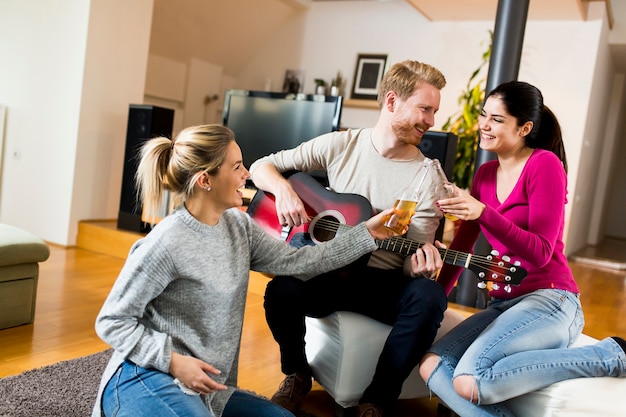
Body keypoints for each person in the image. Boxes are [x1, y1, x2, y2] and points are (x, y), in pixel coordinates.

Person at [91, 124, 403, 417]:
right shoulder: (166, 243)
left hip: (209, 389)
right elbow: (112, 321)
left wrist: (367, 234)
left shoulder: (239, 226)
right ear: (205, 180)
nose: (246, 175)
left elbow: (301, 262)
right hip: (146, 376)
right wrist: (175, 363)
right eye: (237, 167)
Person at [249, 60, 450, 417]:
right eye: (424, 108)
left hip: (383, 282)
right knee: (280, 291)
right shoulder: (341, 145)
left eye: (434, 111)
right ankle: (297, 374)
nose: (431, 121)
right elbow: (261, 166)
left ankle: (376, 400)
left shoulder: (426, 177)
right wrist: (283, 190)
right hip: (329, 270)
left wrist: (418, 269)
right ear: (392, 102)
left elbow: (412, 255)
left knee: (429, 296)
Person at [418, 80, 626, 417]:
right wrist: (436, 300)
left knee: (471, 379)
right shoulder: (485, 174)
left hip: (552, 299)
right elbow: (462, 244)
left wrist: (485, 212)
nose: (484, 125)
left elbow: (541, 251)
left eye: (497, 119)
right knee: (432, 365)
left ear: (524, 127)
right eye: (484, 115)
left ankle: (609, 356)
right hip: (504, 304)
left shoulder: (544, 165)